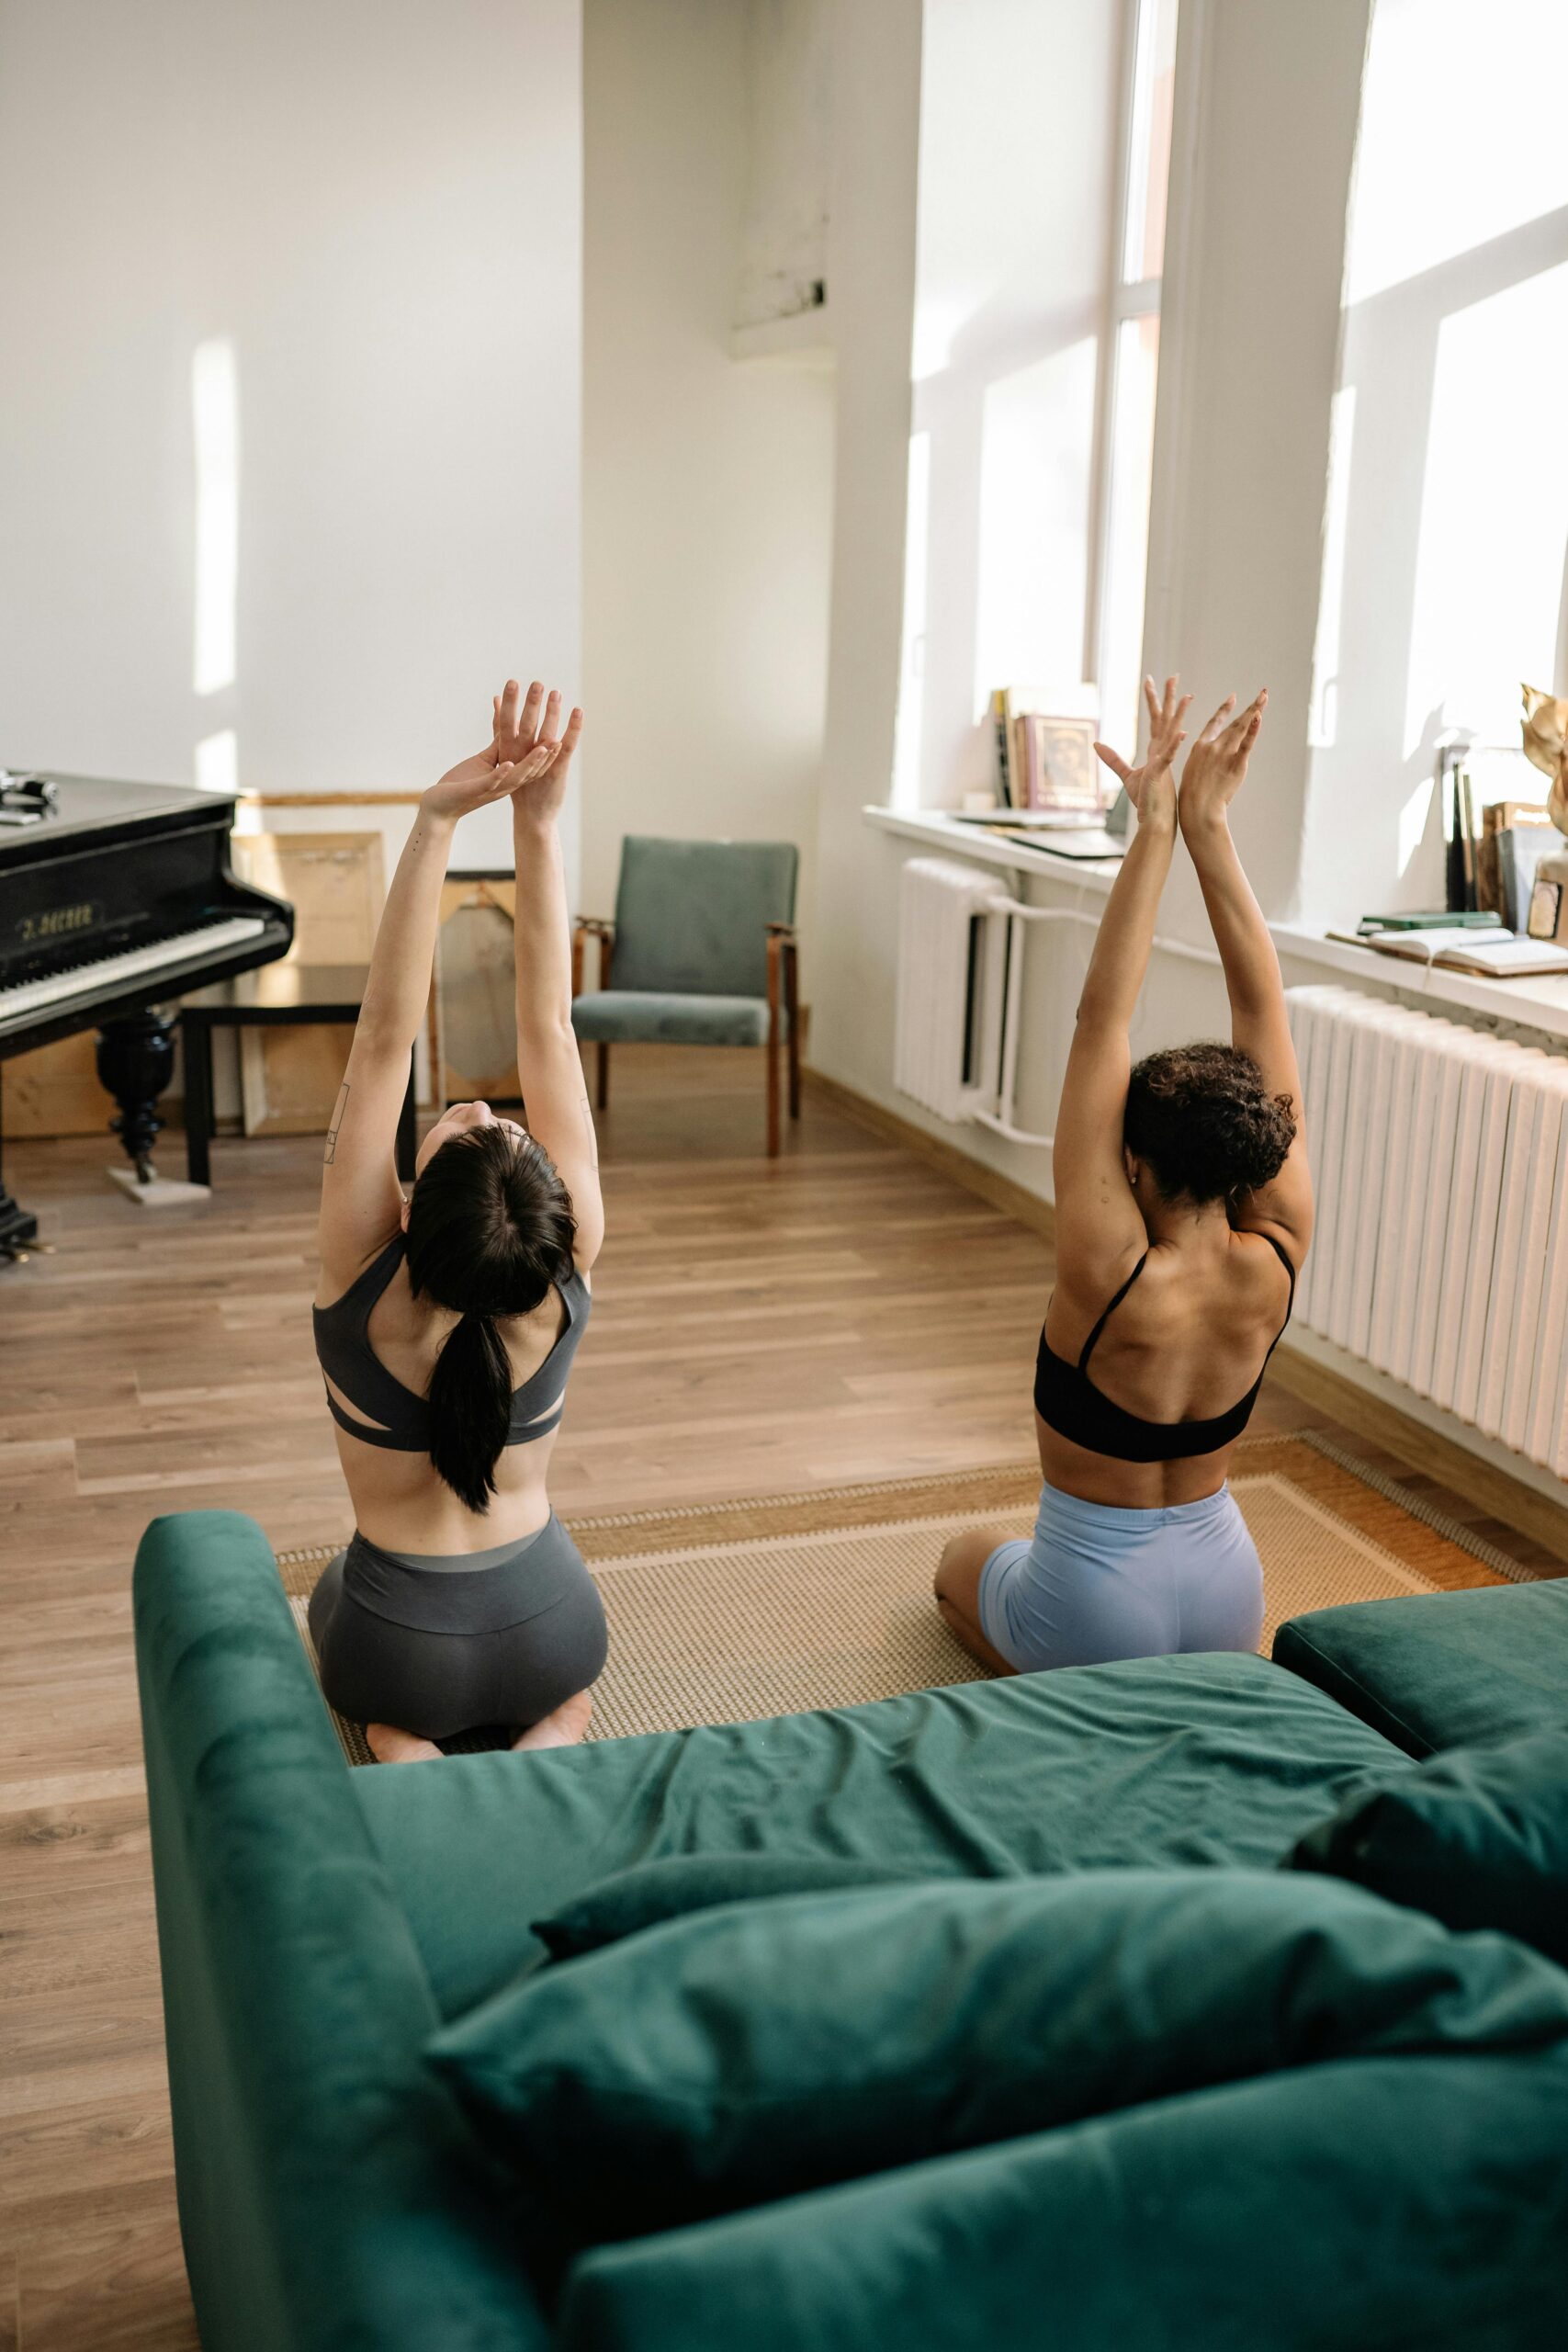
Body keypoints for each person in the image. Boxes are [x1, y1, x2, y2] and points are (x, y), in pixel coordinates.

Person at [934, 675, 1314, 1675]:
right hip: (1232, 1590)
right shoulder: (1277, 1246)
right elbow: (1262, 1007)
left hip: (1095, 1608)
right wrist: (1208, 826)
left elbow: (1102, 1017)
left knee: (962, 1559)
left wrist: (1150, 826)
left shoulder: (1108, 1266)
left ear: (1133, 1163)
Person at [307, 679, 607, 1761]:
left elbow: (384, 1038)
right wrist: (542, 823)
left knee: (338, 1594)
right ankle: (556, 1728)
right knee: (553, 1691)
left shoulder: (361, 1270)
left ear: (414, 1198)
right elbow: (549, 1028)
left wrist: (437, 819)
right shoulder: (564, 1255)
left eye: (474, 1123)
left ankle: (403, 1744)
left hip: (400, 1643)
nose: (487, 1104)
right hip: (553, 1628)